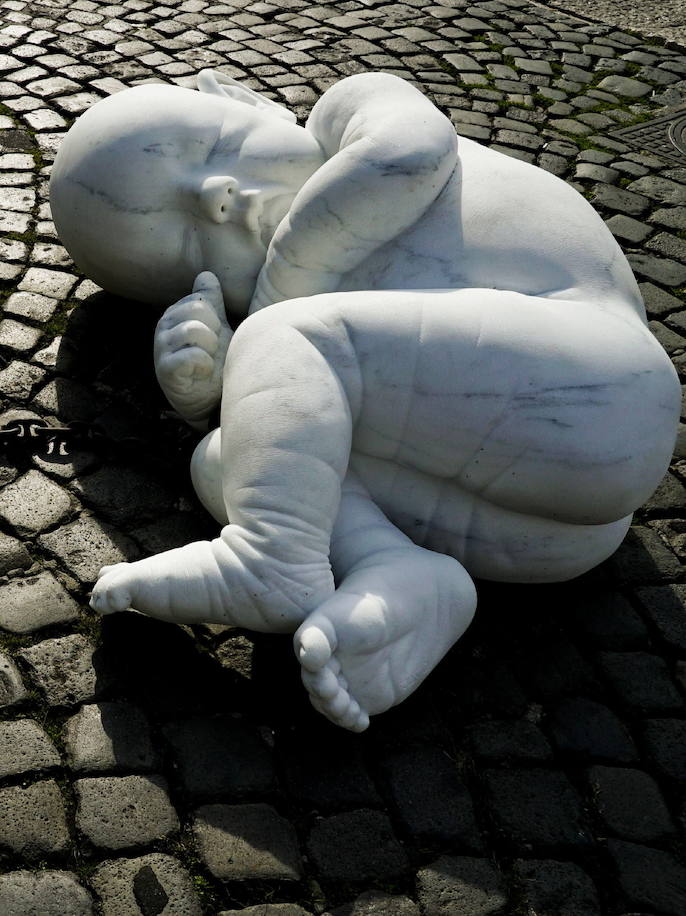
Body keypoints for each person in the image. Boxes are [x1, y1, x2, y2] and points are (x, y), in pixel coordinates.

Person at [49, 69, 679, 731]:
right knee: (229, 458)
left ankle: (271, 560)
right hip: (556, 533)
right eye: (191, 246)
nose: (218, 198)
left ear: (246, 99)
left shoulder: (352, 112)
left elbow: (410, 153)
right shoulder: (310, 322)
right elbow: (292, 414)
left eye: (213, 148)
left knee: (291, 343)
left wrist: (263, 322)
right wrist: (214, 387)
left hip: (610, 387)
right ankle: (400, 573)